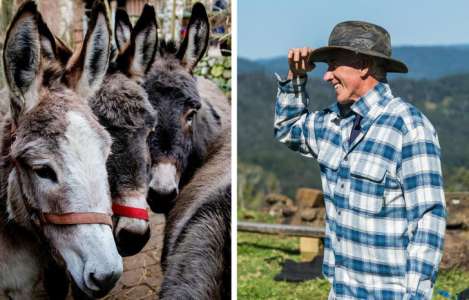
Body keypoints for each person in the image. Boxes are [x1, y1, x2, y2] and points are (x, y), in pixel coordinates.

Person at [274, 21, 446, 299]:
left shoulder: (409, 127)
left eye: (333, 65)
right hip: (341, 290)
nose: (326, 76)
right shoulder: (330, 123)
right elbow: (288, 129)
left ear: (363, 64)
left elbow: (428, 220)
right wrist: (295, 78)